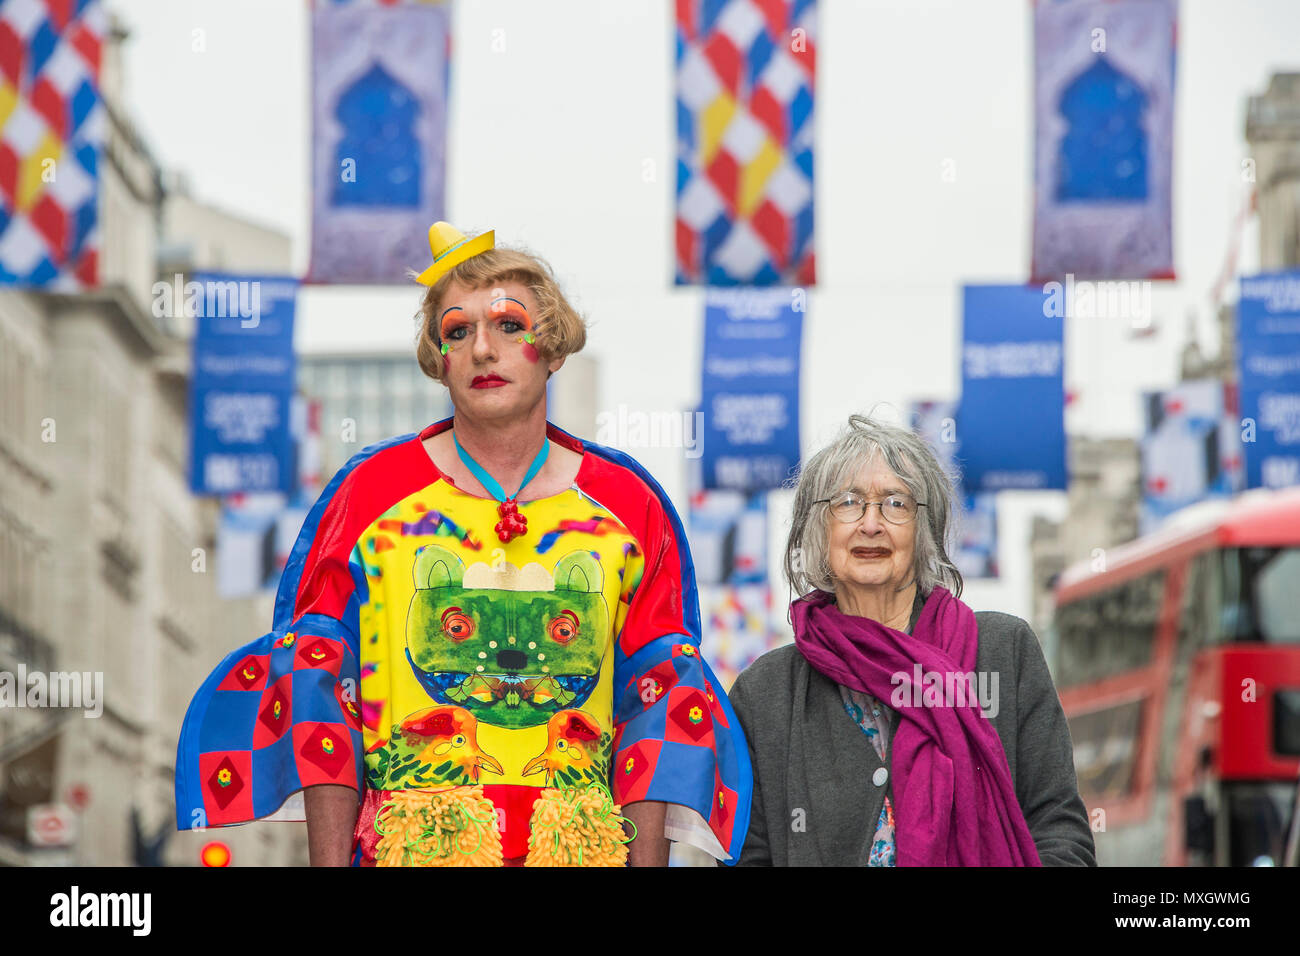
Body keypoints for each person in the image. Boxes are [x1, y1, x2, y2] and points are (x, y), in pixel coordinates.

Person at [175, 222, 751, 866]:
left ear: (553, 349)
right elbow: (316, 687)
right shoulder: (368, 495)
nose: (483, 349)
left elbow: (658, 699)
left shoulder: (628, 502)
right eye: (457, 331)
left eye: (509, 326)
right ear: (438, 357)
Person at [727, 414, 1095, 866]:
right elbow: (749, 857)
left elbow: (1060, 829)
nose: (871, 523)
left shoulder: (1004, 652)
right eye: (848, 502)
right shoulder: (764, 694)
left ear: (924, 531)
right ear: (817, 528)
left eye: (896, 504)